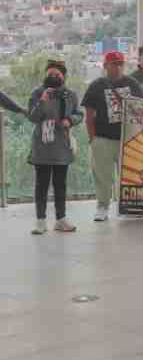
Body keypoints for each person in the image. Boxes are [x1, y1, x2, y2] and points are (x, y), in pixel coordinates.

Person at [82, 51, 143, 222]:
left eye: (120, 63)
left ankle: (130, 205)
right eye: (114, 63)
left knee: (130, 174)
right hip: (103, 138)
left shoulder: (132, 83)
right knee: (103, 175)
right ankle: (102, 206)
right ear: (105, 66)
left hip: (128, 138)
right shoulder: (96, 85)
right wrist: (92, 138)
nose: (117, 66)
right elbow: (88, 115)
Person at [28, 60, 81, 234]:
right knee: (41, 184)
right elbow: (33, 117)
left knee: (61, 184)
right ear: (45, 75)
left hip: (61, 144)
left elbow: (79, 114)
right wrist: (42, 101)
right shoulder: (37, 93)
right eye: (50, 73)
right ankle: (40, 221)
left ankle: (61, 219)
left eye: (57, 74)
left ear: (63, 76)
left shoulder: (70, 95)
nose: (53, 77)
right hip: (42, 145)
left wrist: (70, 120)